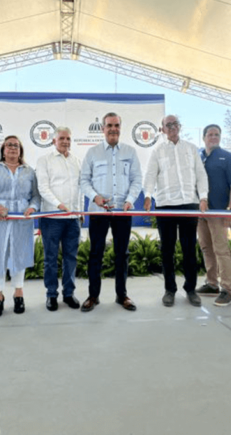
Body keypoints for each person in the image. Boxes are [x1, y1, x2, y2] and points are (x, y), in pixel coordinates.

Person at [144, 115, 208, 307]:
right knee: (167, 250)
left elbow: (200, 174)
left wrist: (203, 197)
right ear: (162, 129)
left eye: (175, 124)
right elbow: (150, 175)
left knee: (189, 249)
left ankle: (190, 289)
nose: (172, 127)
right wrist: (148, 195)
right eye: (168, 125)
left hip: (189, 203)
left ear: (179, 126)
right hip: (165, 205)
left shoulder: (191, 148)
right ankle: (169, 290)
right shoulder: (157, 151)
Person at [80, 112, 142, 312]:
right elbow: (84, 181)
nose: (113, 129)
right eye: (109, 125)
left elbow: (136, 180)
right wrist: (95, 197)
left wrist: (130, 200)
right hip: (98, 211)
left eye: (116, 125)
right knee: (96, 253)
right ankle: (93, 296)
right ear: (102, 128)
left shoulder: (130, 152)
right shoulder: (92, 153)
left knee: (122, 254)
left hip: (122, 212)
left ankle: (121, 295)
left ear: (120, 128)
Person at [0, 135, 40, 318]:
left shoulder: (29, 171)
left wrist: (32, 207)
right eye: (9, 145)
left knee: (19, 254)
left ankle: (18, 293)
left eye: (16, 145)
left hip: (22, 220)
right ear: (3, 150)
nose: (13, 148)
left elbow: (36, 196)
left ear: (21, 150)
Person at [36, 127, 81, 311]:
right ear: (54, 140)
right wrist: (59, 204)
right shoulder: (44, 160)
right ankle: (51, 295)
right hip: (52, 217)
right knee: (50, 258)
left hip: (73, 219)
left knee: (71, 257)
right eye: (61, 138)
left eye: (68, 138)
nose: (65, 141)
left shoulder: (76, 161)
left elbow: (80, 188)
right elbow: (43, 188)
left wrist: (79, 213)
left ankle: (69, 294)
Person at [196, 125, 231, 306]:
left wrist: (230, 209)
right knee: (206, 248)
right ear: (203, 137)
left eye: (217, 134)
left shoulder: (228, 158)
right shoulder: (198, 157)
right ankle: (212, 283)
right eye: (210, 134)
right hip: (201, 213)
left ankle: (227, 290)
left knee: (221, 250)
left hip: (219, 212)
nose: (213, 137)